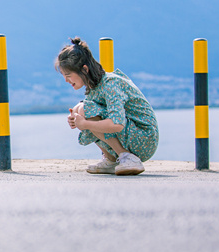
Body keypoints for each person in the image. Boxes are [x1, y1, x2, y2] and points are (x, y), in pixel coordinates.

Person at [56, 37, 158, 176]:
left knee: (84, 109)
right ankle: (112, 160)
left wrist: (85, 123)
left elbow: (117, 124)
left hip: (144, 138)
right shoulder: (95, 87)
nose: (66, 80)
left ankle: (127, 157)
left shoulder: (110, 83)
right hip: (133, 136)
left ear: (84, 69)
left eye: (68, 75)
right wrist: (76, 115)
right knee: (80, 108)